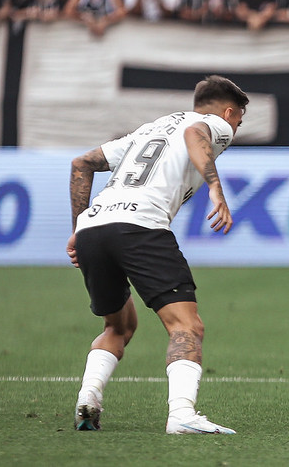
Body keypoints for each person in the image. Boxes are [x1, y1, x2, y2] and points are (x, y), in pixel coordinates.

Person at [67, 75, 249, 434]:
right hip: (141, 227)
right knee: (186, 325)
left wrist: (78, 229)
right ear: (229, 112)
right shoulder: (215, 124)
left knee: (118, 326)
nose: (235, 129)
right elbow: (195, 134)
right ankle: (181, 413)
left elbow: (81, 164)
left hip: (95, 227)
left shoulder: (149, 130)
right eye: (239, 122)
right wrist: (215, 187)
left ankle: (88, 398)